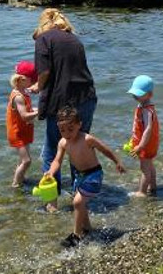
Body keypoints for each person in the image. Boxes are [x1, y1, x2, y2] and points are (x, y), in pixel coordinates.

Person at [30, 9, 97, 212]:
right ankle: (81, 196)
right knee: (78, 145)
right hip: (87, 97)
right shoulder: (73, 39)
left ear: (42, 25)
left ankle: (51, 203)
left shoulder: (43, 39)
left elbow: (45, 72)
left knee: (52, 149)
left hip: (62, 101)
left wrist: (38, 87)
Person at [44, 106, 125, 248]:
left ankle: (76, 236)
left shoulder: (87, 139)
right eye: (62, 130)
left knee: (77, 203)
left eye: (71, 129)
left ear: (79, 125)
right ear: (58, 127)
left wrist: (117, 161)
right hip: (79, 176)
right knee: (80, 204)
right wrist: (51, 172)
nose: (67, 133)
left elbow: (104, 149)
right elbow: (57, 161)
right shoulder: (63, 143)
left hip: (94, 175)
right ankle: (88, 230)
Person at [126, 75, 160, 198]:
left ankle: (142, 192)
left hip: (146, 144)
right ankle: (153, 186)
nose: (135, 96)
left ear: (149, 94)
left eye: (138, 94)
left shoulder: (146, 110)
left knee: (144, 168)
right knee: (150, 165)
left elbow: (148, 129)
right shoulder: (144, 106)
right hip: (149, 143)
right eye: (134, 93)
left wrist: (140, 146)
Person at [6, 61, 38, 187]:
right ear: (22, 80)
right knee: (27, 161)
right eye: (32, 80)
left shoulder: (23, 92)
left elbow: (26, 110)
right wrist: (40, 111)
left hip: (24, 130)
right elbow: (24, 116)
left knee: (22, 159)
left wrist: (34, 110)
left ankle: (21, 178)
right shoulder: (18, 97)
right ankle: (15, 184)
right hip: (17, 132)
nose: (34, 82)